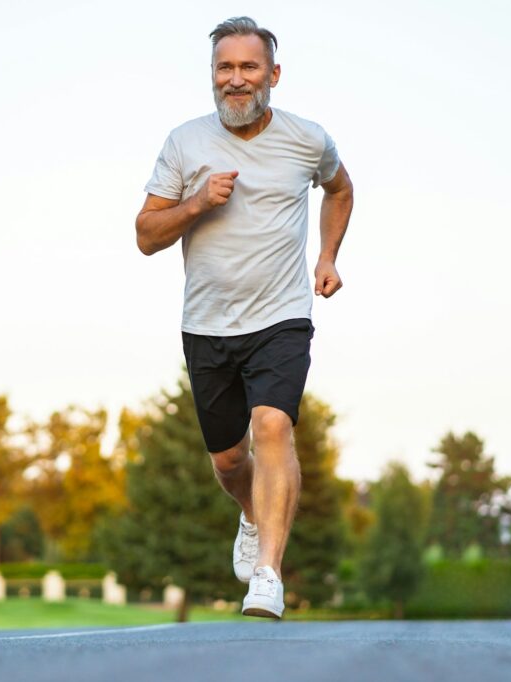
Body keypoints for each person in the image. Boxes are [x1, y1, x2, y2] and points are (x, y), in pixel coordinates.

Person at [135, 16, 354, 619]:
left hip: (282, 316)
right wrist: (197, 203)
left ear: (273, 75)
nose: (236, 79)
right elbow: (145, 236)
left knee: (273, 427)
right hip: (207, 324)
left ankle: (268, 576)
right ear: (213, 77)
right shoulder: (185, 143)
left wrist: (327, 257)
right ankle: (252, 513)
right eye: (224, 68)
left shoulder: (307, 139)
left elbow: (340, 190)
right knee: (230, 461)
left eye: (248, 67)